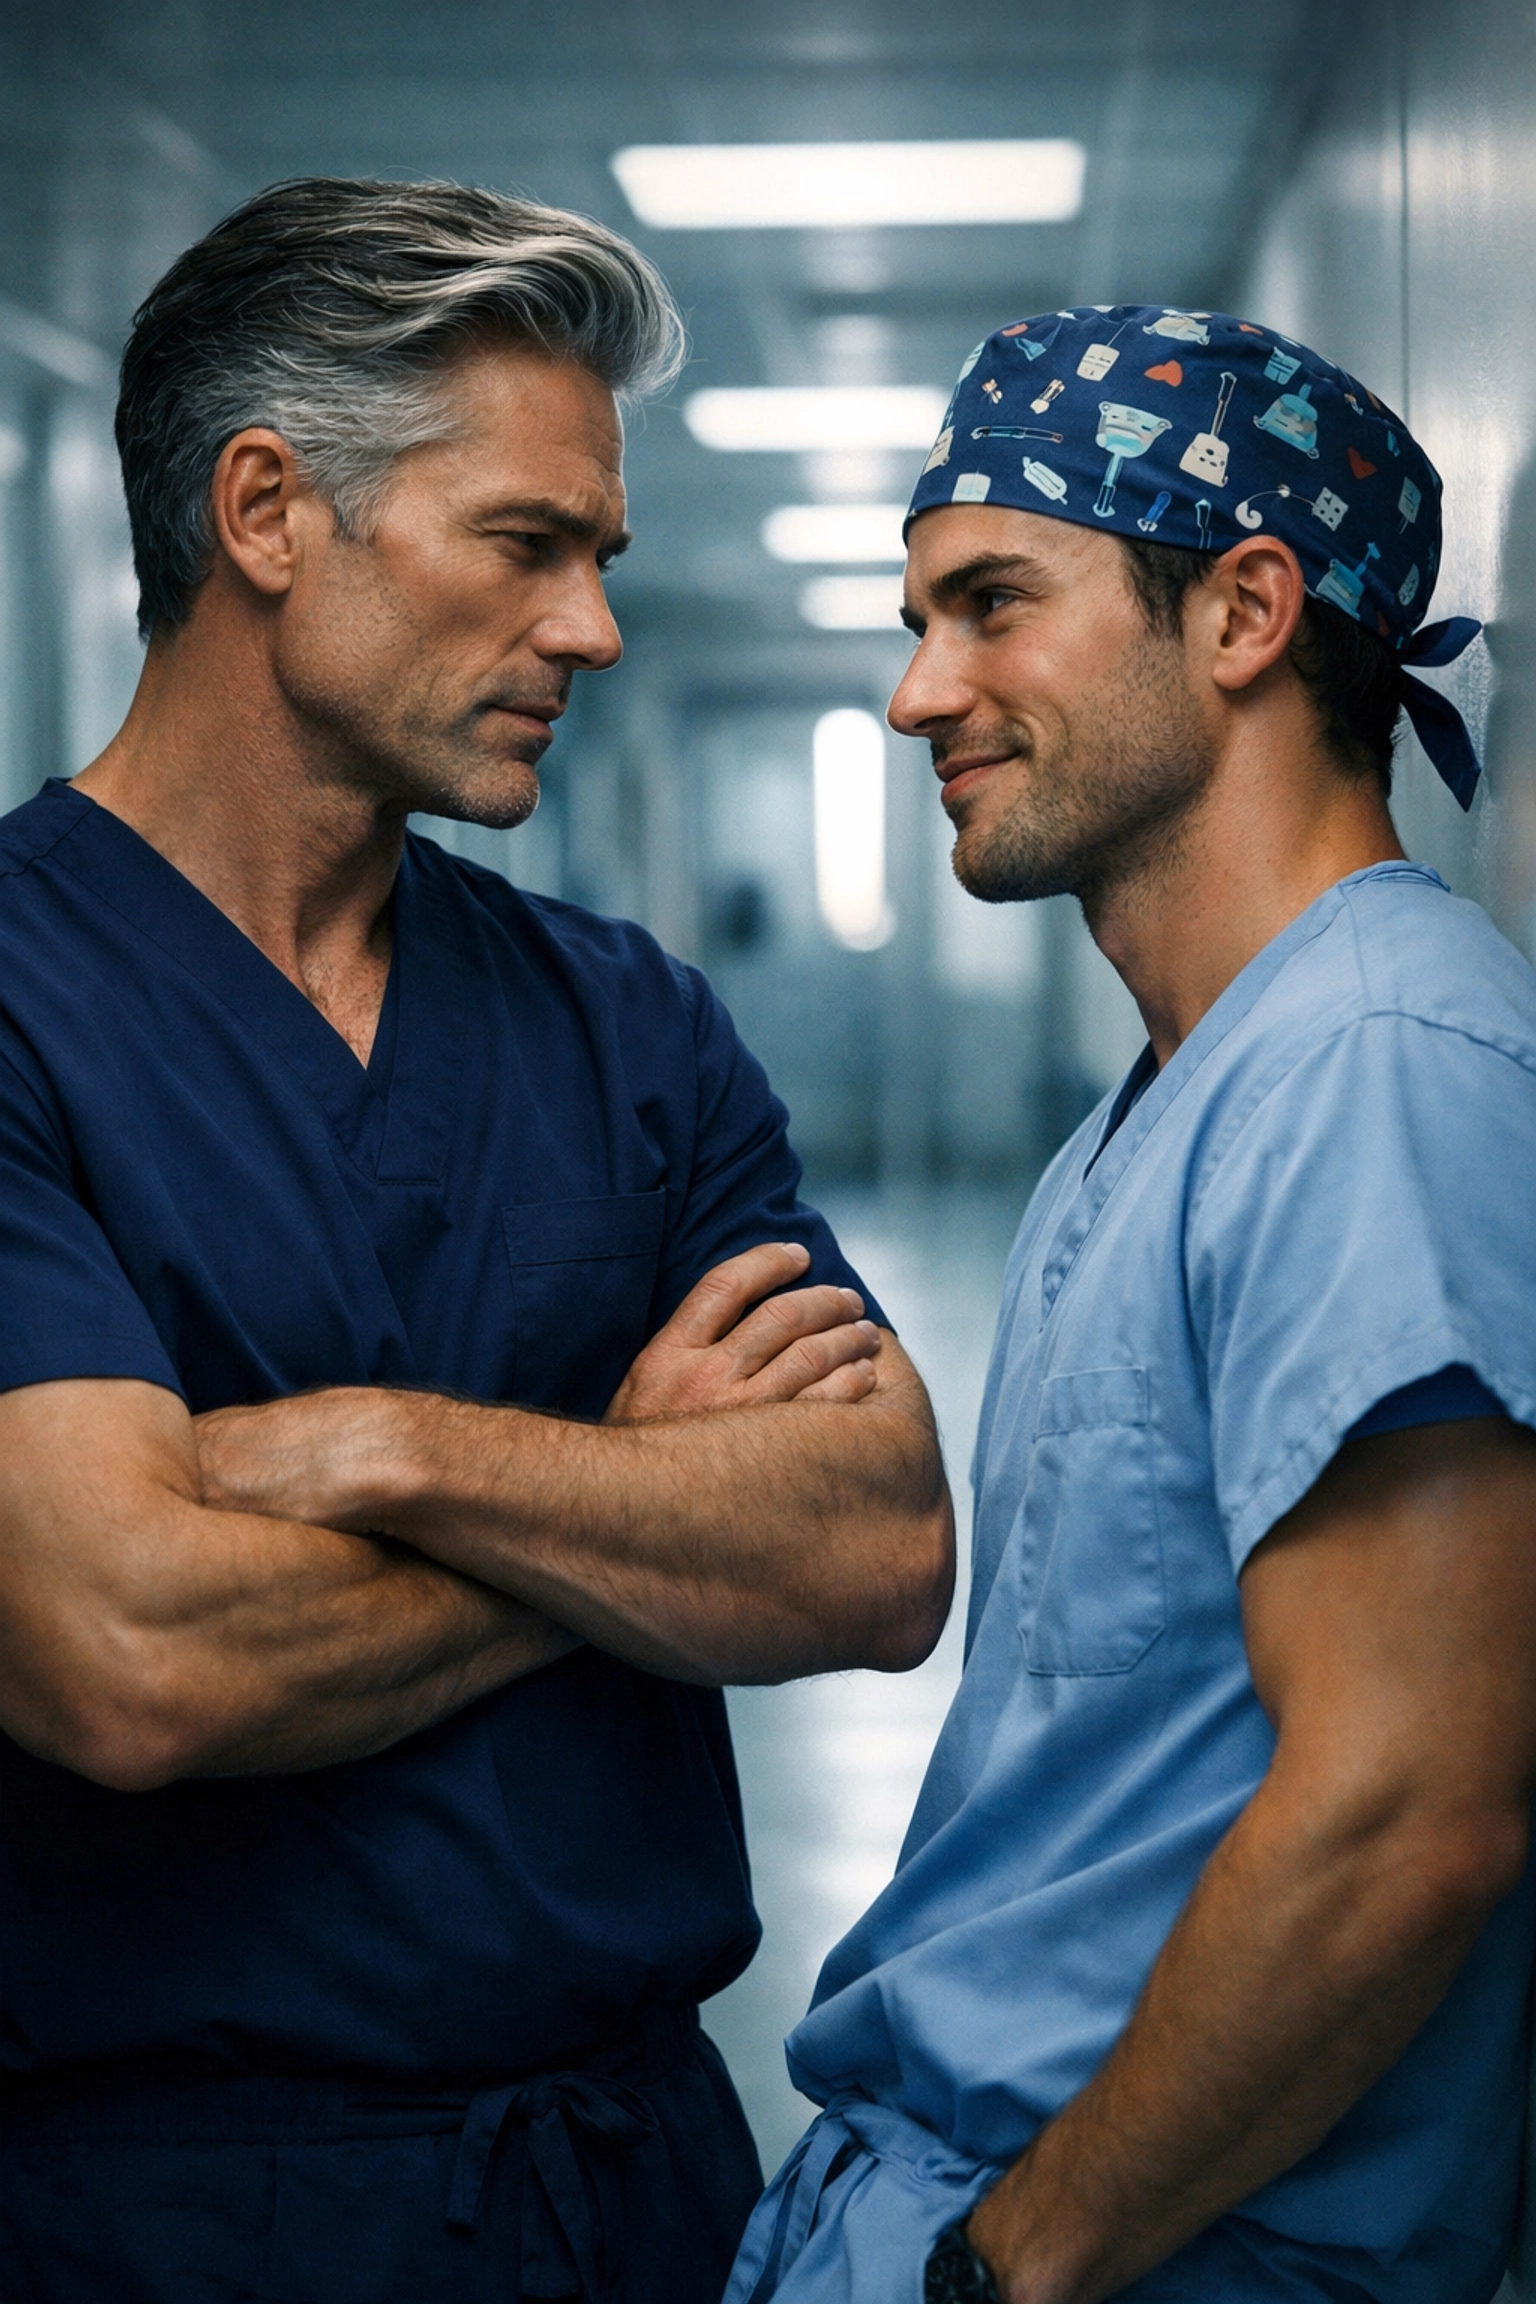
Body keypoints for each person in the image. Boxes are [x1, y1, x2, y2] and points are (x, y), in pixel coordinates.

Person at [0, 178, 953, 2304]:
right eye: (527, 545)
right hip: (164, 2224)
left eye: (598, 560)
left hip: (637, 2191)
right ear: (266, 511)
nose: (593, 629)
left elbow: (881, 1550)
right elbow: (126, 1653)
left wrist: (394, 1450)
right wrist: (630, 1516)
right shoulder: (17, 1004)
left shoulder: (626, 1020)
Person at [723, 305, 1536, 2304]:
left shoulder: (1375, 1070)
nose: (922, 693)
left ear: (1248, 609)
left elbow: (1406, 1814)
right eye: (923, 618)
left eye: (993, 604)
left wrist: (1019, 2263)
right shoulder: (1178, 1098)